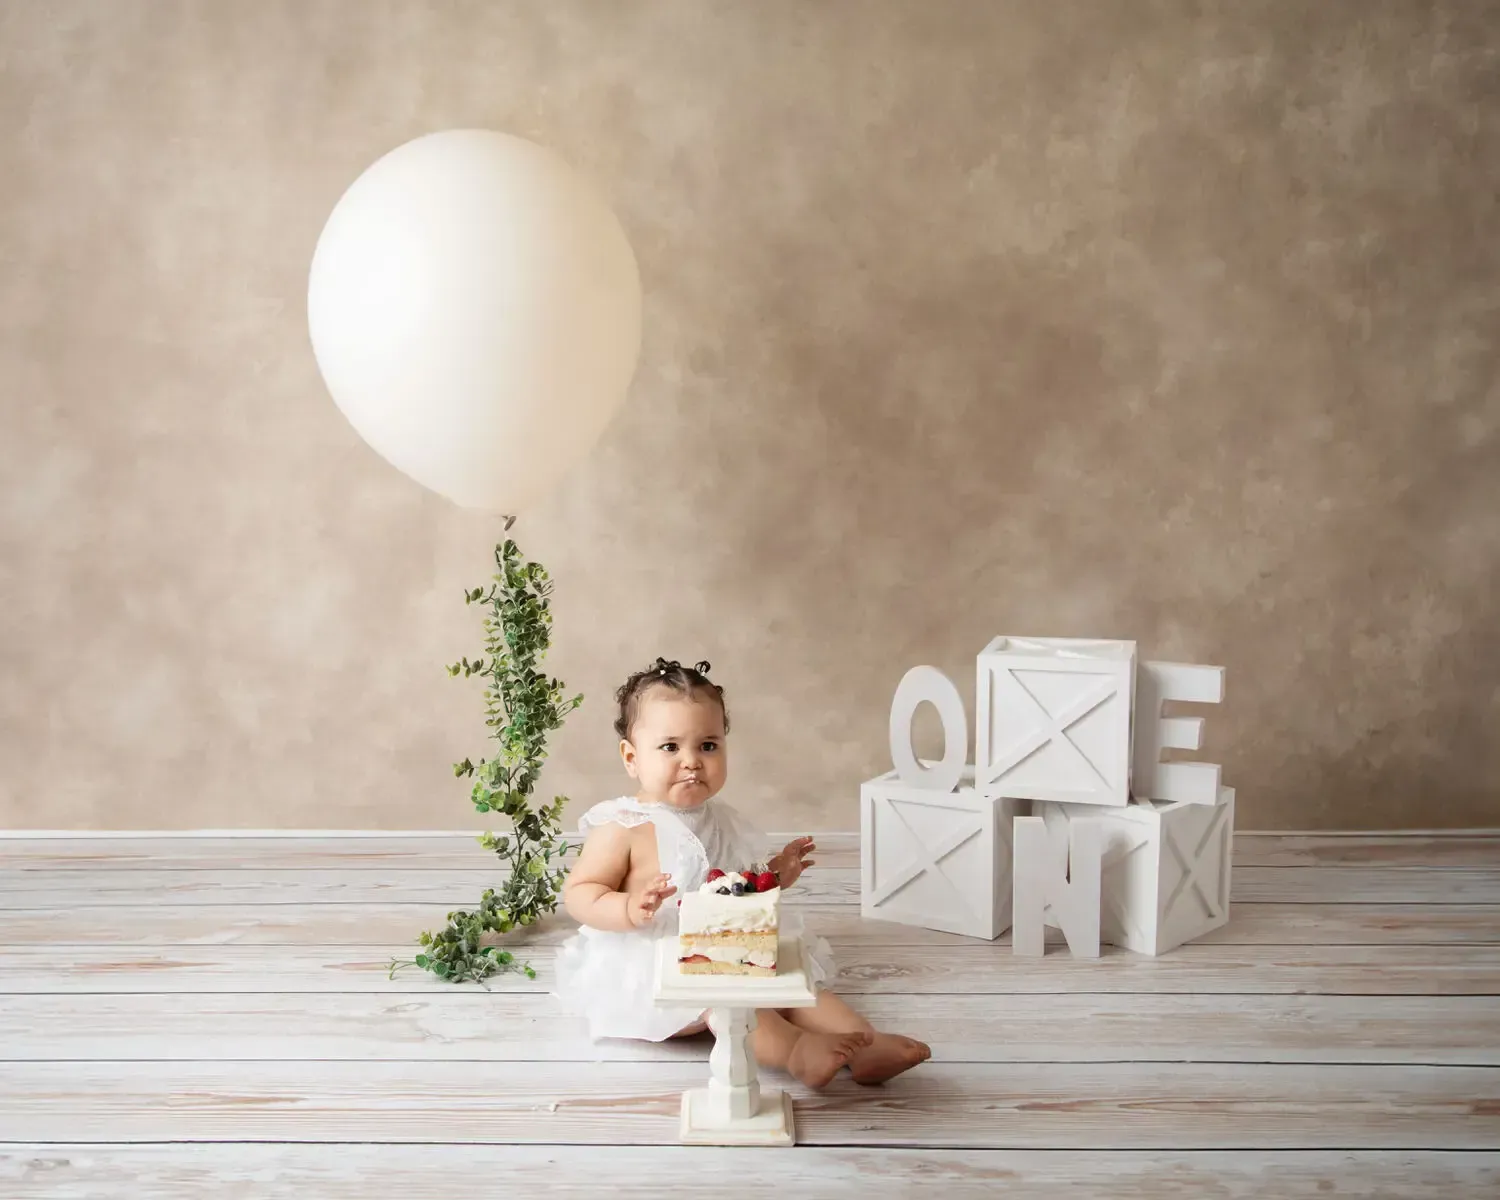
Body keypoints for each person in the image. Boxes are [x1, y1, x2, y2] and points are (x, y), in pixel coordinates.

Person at [554, 657, 931, 1088]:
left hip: (725, 943)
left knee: (794, 989)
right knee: (732, 1005)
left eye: (708, 746)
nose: (692, 761)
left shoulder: (721, 818)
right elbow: (581, 892)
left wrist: (774, 875)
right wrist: (627, 907)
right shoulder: (623, 825)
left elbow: (736, 884)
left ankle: (866, 1044)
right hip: (658, 961)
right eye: (670, 747)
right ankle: (795, 1052)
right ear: (631, 757)